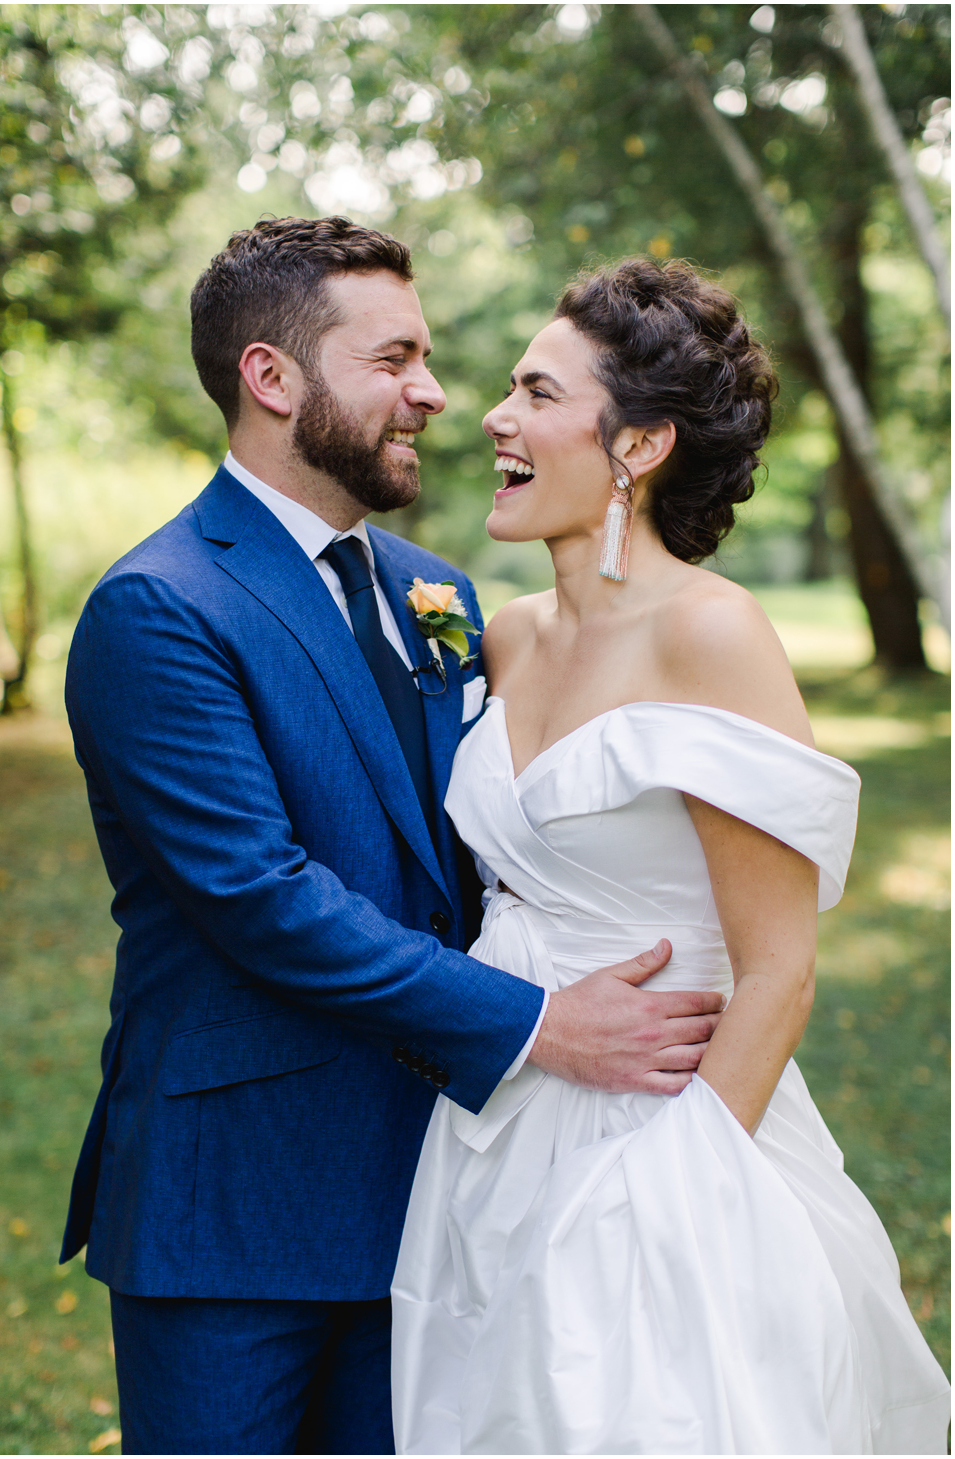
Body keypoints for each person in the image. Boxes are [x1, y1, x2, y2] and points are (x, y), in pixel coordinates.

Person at [59, 219, 728, 1456]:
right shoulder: (158, 606)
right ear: (273, 378)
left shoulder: (437, 591)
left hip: (446, 1180)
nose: (435, 393)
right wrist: (537, 1021)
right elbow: (259, 895)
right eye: (395, 360)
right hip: (238, 1199)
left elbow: (475, 848)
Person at [391, 257, 951, 1455]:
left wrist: (670, 1197)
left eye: (538, 394)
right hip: (498, 1129)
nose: (494, 414)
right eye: (509, 388)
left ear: (638, 447)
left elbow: (779, 970)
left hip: (672, 1137)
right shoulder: (504, 639)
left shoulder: (713, 631)